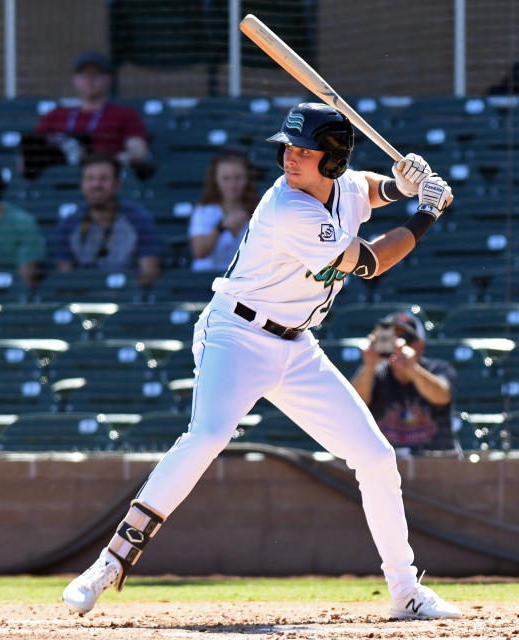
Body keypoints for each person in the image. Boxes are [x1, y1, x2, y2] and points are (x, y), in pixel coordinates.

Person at [61, 103, 460, 620]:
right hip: (237, 334)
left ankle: (405, 590)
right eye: (287, 148)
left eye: (304, 150)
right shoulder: (286, 208)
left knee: (377, 458)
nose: (290, 158)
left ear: (332, 161)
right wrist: (426, 210)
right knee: (206, 436)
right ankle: (110, 563)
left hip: (297, 347)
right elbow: (370, 262)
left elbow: (368, 188)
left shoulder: (345, 185)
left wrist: (403, 184)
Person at [351, 312, 458, 454]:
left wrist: (411, 368)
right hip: (389, 465)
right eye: (390, 338)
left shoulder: (438, 368)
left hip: (436, 464)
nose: (398, 345)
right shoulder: (374, 373)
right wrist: (369, 365)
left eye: (406, 338)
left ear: (420, 345)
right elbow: (355, 406)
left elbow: (442, 396)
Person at [52, 153, 161, 288]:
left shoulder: (140, 220)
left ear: (117, 184)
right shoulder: (68, 225)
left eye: (103, 179)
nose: (96, 184)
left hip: (127, 300)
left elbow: (149, 274)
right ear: (82, 184)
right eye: (90, 178)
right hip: (83, 302)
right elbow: (65, 280)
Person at [34, 51, 150, 170]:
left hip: (105, 179)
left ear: (109, 79)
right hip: (60, 179)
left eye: (96, 74)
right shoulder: (55, 116)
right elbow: (31, 155)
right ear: (75, 79)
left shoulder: (125, 114)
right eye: (84, 74)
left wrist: (111, 162)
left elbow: (138, 152)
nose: (89, 79)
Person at [188, 152, 260, 272]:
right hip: (206, 279)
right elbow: (199, 252)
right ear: (215, 180)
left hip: (244, 281)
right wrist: (220, 227)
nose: (233, 185)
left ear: (248, 178)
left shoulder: (260, 210)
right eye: (225, 178)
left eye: (238, 177)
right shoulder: (204, 211)